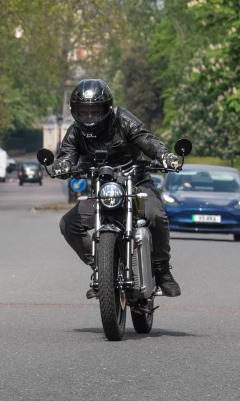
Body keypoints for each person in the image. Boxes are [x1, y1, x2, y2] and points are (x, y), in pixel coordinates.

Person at [53, 79, 181, 299]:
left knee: (156, 216)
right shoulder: (75, 132)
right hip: (104, 192)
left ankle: (162, 270)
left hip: (136, 184)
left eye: (95, 111)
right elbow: (67, 153)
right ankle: (102, 268)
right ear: (76, 112)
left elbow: (147, 140)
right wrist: (63, 165)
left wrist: (165, 156)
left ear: (107, 109)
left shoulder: (123, 120)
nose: (90, 117)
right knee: (69, 223)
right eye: (85, 111)